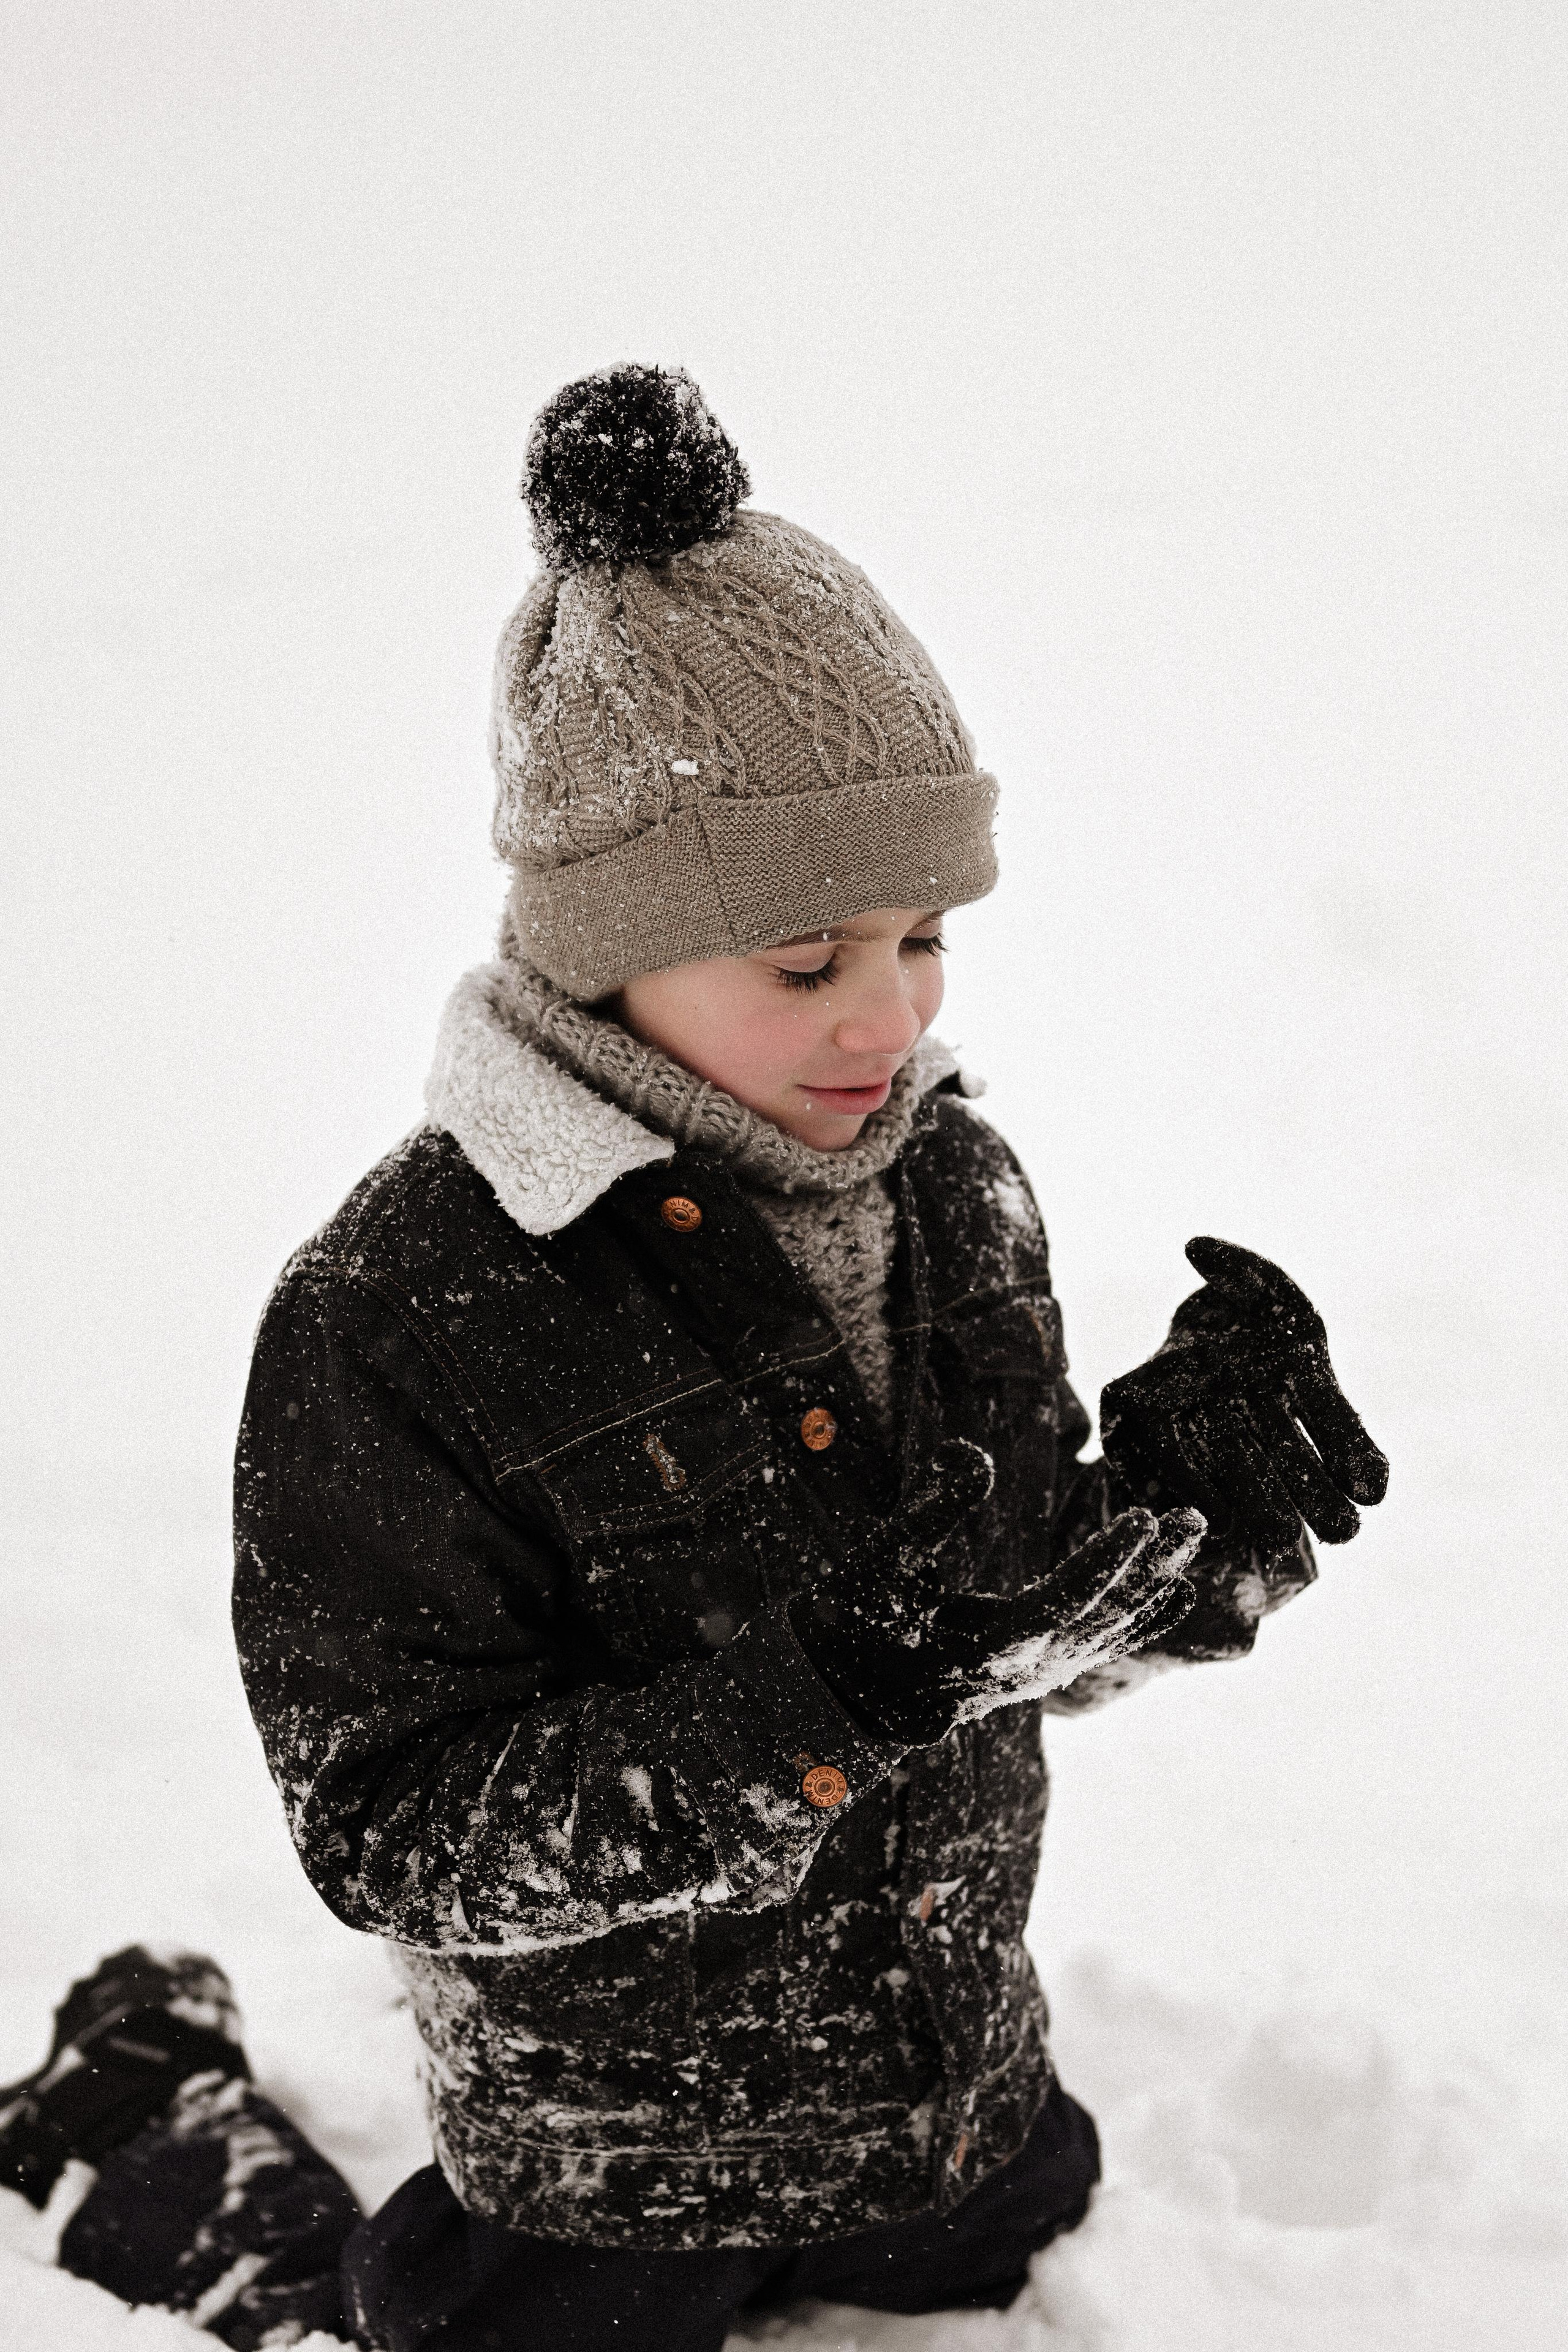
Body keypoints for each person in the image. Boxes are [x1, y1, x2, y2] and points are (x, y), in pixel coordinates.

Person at [2, 366, 1387, 2351]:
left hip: (948, 2093)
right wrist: (825, 1697)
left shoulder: (955, 1187)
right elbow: (399, 1828)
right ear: (605, 943)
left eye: (923, 938)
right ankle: (141, 2119)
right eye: (806, 962)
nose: (885, 1018)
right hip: (615, 2162)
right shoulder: (407, 1312)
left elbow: (993, 1625)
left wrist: (1192, 1531)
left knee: (1009, 2264)